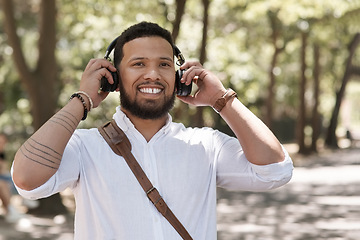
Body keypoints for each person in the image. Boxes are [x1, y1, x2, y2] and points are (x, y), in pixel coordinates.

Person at [11, 22, 293, 239]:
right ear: (113, 78)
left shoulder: (205, 145)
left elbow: (276, 170)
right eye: (138, 64)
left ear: (179, 77)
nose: (153, 75)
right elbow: (27, 180)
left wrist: (223, 101)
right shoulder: (84, 147)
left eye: (164, 65)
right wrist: (82, 100)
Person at [0, 134, 22, 223]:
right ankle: (11, 209)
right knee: (2, 184)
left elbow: (3, 169)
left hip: (4, 177)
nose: (2, 145)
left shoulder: (2, 154)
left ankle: (10, 211)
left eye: (3, 143)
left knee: (5, 182)